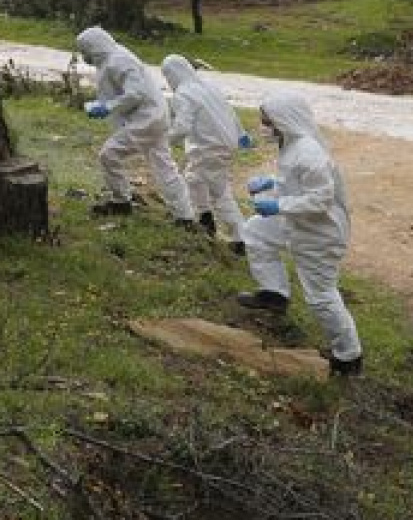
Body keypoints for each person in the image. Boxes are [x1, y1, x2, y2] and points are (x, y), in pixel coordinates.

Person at [234, 93, 363, 377]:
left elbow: (319, 200)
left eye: (268, 122)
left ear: (285, 121)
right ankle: (274, 293)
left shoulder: (309, 153)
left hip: (320, 233)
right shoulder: (292, 145)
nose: (264, 127)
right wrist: (272, 183)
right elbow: (296, 184)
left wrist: (278, 204)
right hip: (298, 222)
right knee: (255, 230)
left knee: (321, 295)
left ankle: (349, 356)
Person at [76, 26, 196, 225]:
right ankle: (185, 216)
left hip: (146, 120)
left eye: (85, 51)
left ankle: (121, 201)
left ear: (94, 46)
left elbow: (135, 93)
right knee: (164, 167)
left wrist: (108, 107)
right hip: (153, 118)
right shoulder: (113, 59)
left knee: (109, 154)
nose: (84, 56)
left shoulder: (118, 61)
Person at [161, 53, 254, 252]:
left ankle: (236, 237)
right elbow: (229, 111)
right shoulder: (207, 86)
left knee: (210, 188)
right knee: (199, 181)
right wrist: (240, 132)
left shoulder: (184, 94)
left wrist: (162, 140)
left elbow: (182, 127)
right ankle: (208, 220)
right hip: (224, 143)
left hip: (208, 147)